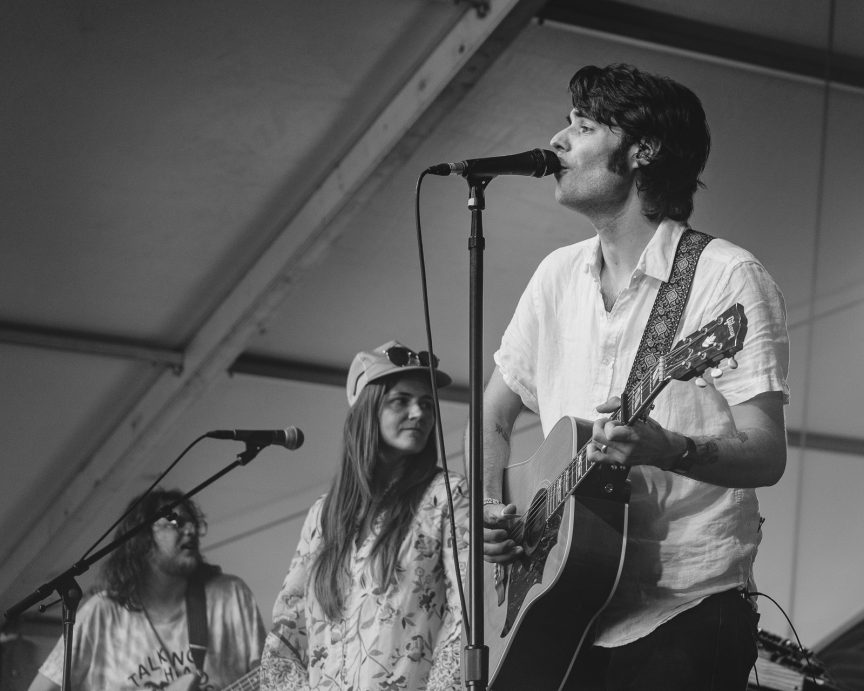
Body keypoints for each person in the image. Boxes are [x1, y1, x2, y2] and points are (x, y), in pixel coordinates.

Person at [481, 63, 789, 690]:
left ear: (642, 150)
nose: (558, 141)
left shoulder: (725, 277)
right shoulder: (556, 276)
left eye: (584, 126)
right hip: (561, 608)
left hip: (685, 608)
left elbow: (766, 453)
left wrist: (670, 448)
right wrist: (494, 507)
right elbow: (490, 415)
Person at [260, 341, 468, 691]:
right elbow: (284, 637)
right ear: (367, 411)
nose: (419, 413)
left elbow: (468, 618)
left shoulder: (447, 496)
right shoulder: (323, 515)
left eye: (427, 404)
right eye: (401, 401)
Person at [28, 489, 267, 691]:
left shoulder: (229, 596)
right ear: (140, 537)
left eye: (194, 523)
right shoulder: (102, 613)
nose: (191, 530)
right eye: (175, 521)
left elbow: (270, 678)